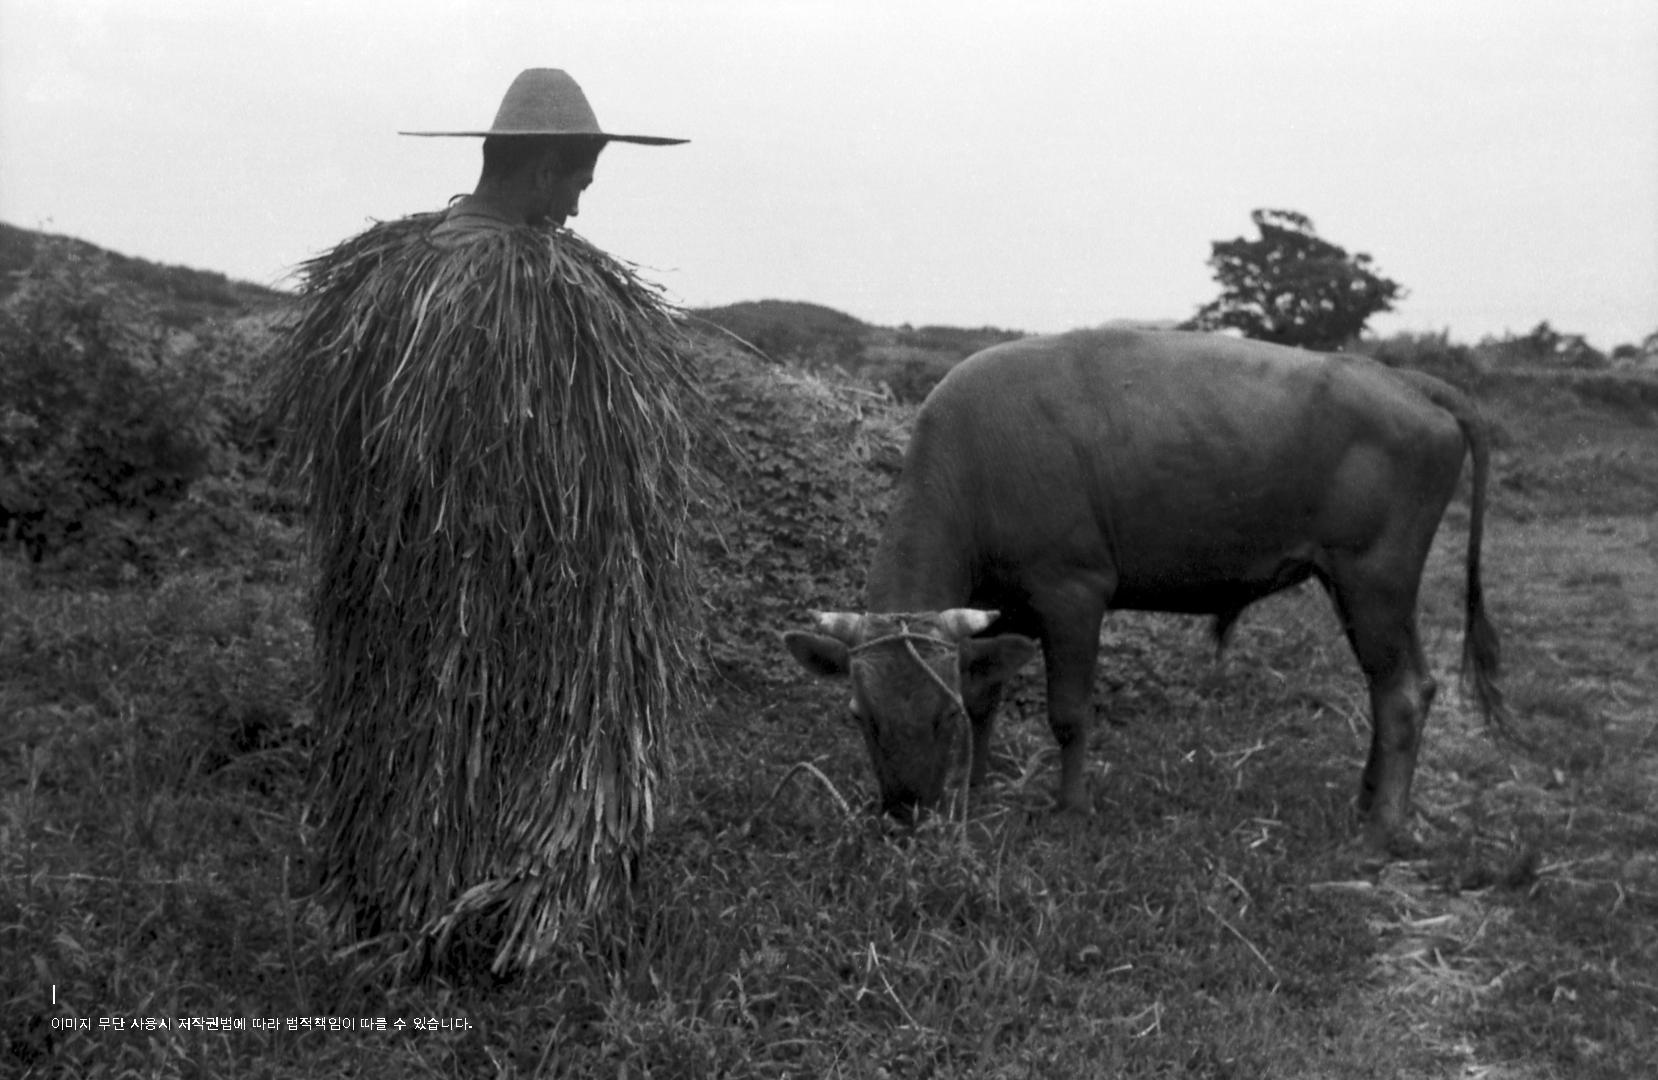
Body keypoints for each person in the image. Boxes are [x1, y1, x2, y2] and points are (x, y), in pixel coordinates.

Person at [272, 69, 703, 977]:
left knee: (400, 742)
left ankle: (388, 911)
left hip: (383, 584)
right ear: (543, 169)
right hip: (512, 592)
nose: (577, 208)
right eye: (578, 183)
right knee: (502, 741)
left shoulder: (375, 280)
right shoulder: (555, 294)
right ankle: (496, 927)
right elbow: (590, 481)